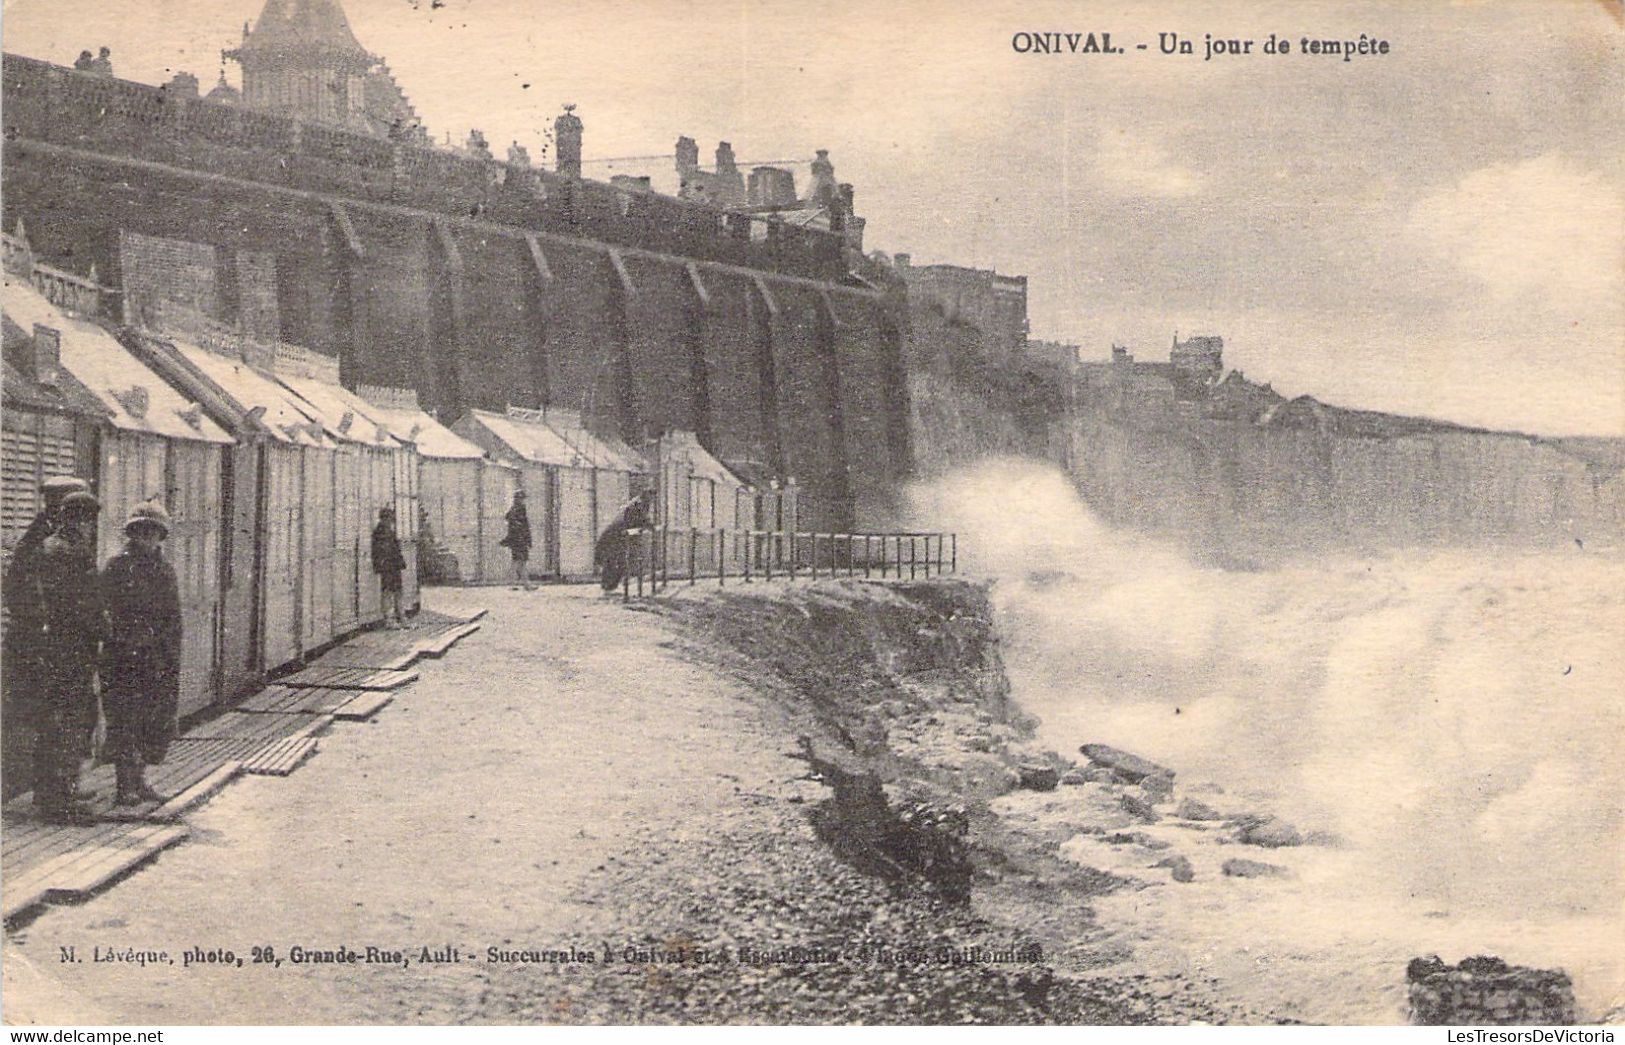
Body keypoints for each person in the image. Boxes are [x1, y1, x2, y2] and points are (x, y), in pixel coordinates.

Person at [100, 501, 182, 808]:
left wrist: (168, 655)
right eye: (141, 532)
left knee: (152, 719)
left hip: (155, 659)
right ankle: (125, 787)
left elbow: (173, 619)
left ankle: (140, 780)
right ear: (132, 533)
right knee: (125, 721)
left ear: (161, 536)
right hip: (123, 659)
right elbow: (102, 611)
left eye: (153, 533)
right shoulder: (117, 567)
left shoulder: (165, 571)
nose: (147, 538)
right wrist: (122, 638)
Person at [30, 490, 104, 823]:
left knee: (60, 721)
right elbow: (80, 603)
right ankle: (60, 801)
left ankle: (54, 794)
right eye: (88, 520)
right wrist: (102, 627)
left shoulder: (55, 547)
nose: (89, 527)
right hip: (69, 649)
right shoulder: (68, 552)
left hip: (62, 647)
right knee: (69, 723)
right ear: (81, 519)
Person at [595, 490, 654, 592]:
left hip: (620, 536)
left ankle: (610, 586)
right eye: (650, 497)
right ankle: (608, 586)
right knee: (614, 560)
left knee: (618, 561)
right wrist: (649, 526)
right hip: (616, 536)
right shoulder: (637, 505)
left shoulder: (639, 504)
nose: (651, 500)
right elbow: (638, 519)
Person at [371, 506, 407, 629]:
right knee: (389, 592)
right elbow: (381, 551)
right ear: (384, 519)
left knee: (396, 591)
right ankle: (390, 619)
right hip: (387, 566)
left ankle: (400, 617)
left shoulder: (388, 532)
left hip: (393, 566)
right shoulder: (381, 532)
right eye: (389, 518)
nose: (390, 521)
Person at [498, 489, 534, 591]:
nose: (522, 500)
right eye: (521, 498)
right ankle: (514, 584)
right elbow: (521, 527)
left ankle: (526, 585)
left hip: (518, 540)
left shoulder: (515, 510)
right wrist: (526, 539)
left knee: (520, 562)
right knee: (518, 562)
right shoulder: (518, 510)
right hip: (519, 540)